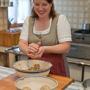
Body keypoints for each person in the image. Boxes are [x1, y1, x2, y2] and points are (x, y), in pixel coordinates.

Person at [19, 0, 72, 77]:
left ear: (51, 3)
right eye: (37, 4)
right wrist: (28, 49)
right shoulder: (29, 20)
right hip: (33, 68)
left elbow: (65, 47)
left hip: (56, 68)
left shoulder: (60, 19)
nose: (40, 8)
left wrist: (44, 49)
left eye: (44, 4)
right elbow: (22, 43)